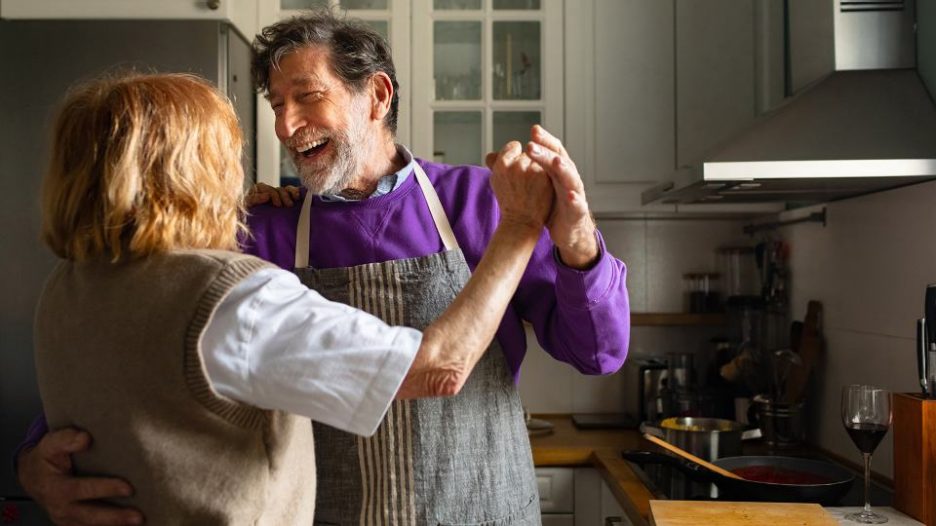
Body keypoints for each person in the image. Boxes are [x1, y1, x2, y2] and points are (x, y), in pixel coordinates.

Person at [17, 10, 631, 526]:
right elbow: (148, 351)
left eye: (307, 97)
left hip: (483, 510)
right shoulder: (262, 230)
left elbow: (598, 353)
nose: (285, 126)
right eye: (276, 104)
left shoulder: (486, 204)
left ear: (377, 97)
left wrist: (577, 241)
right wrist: (40, 455)